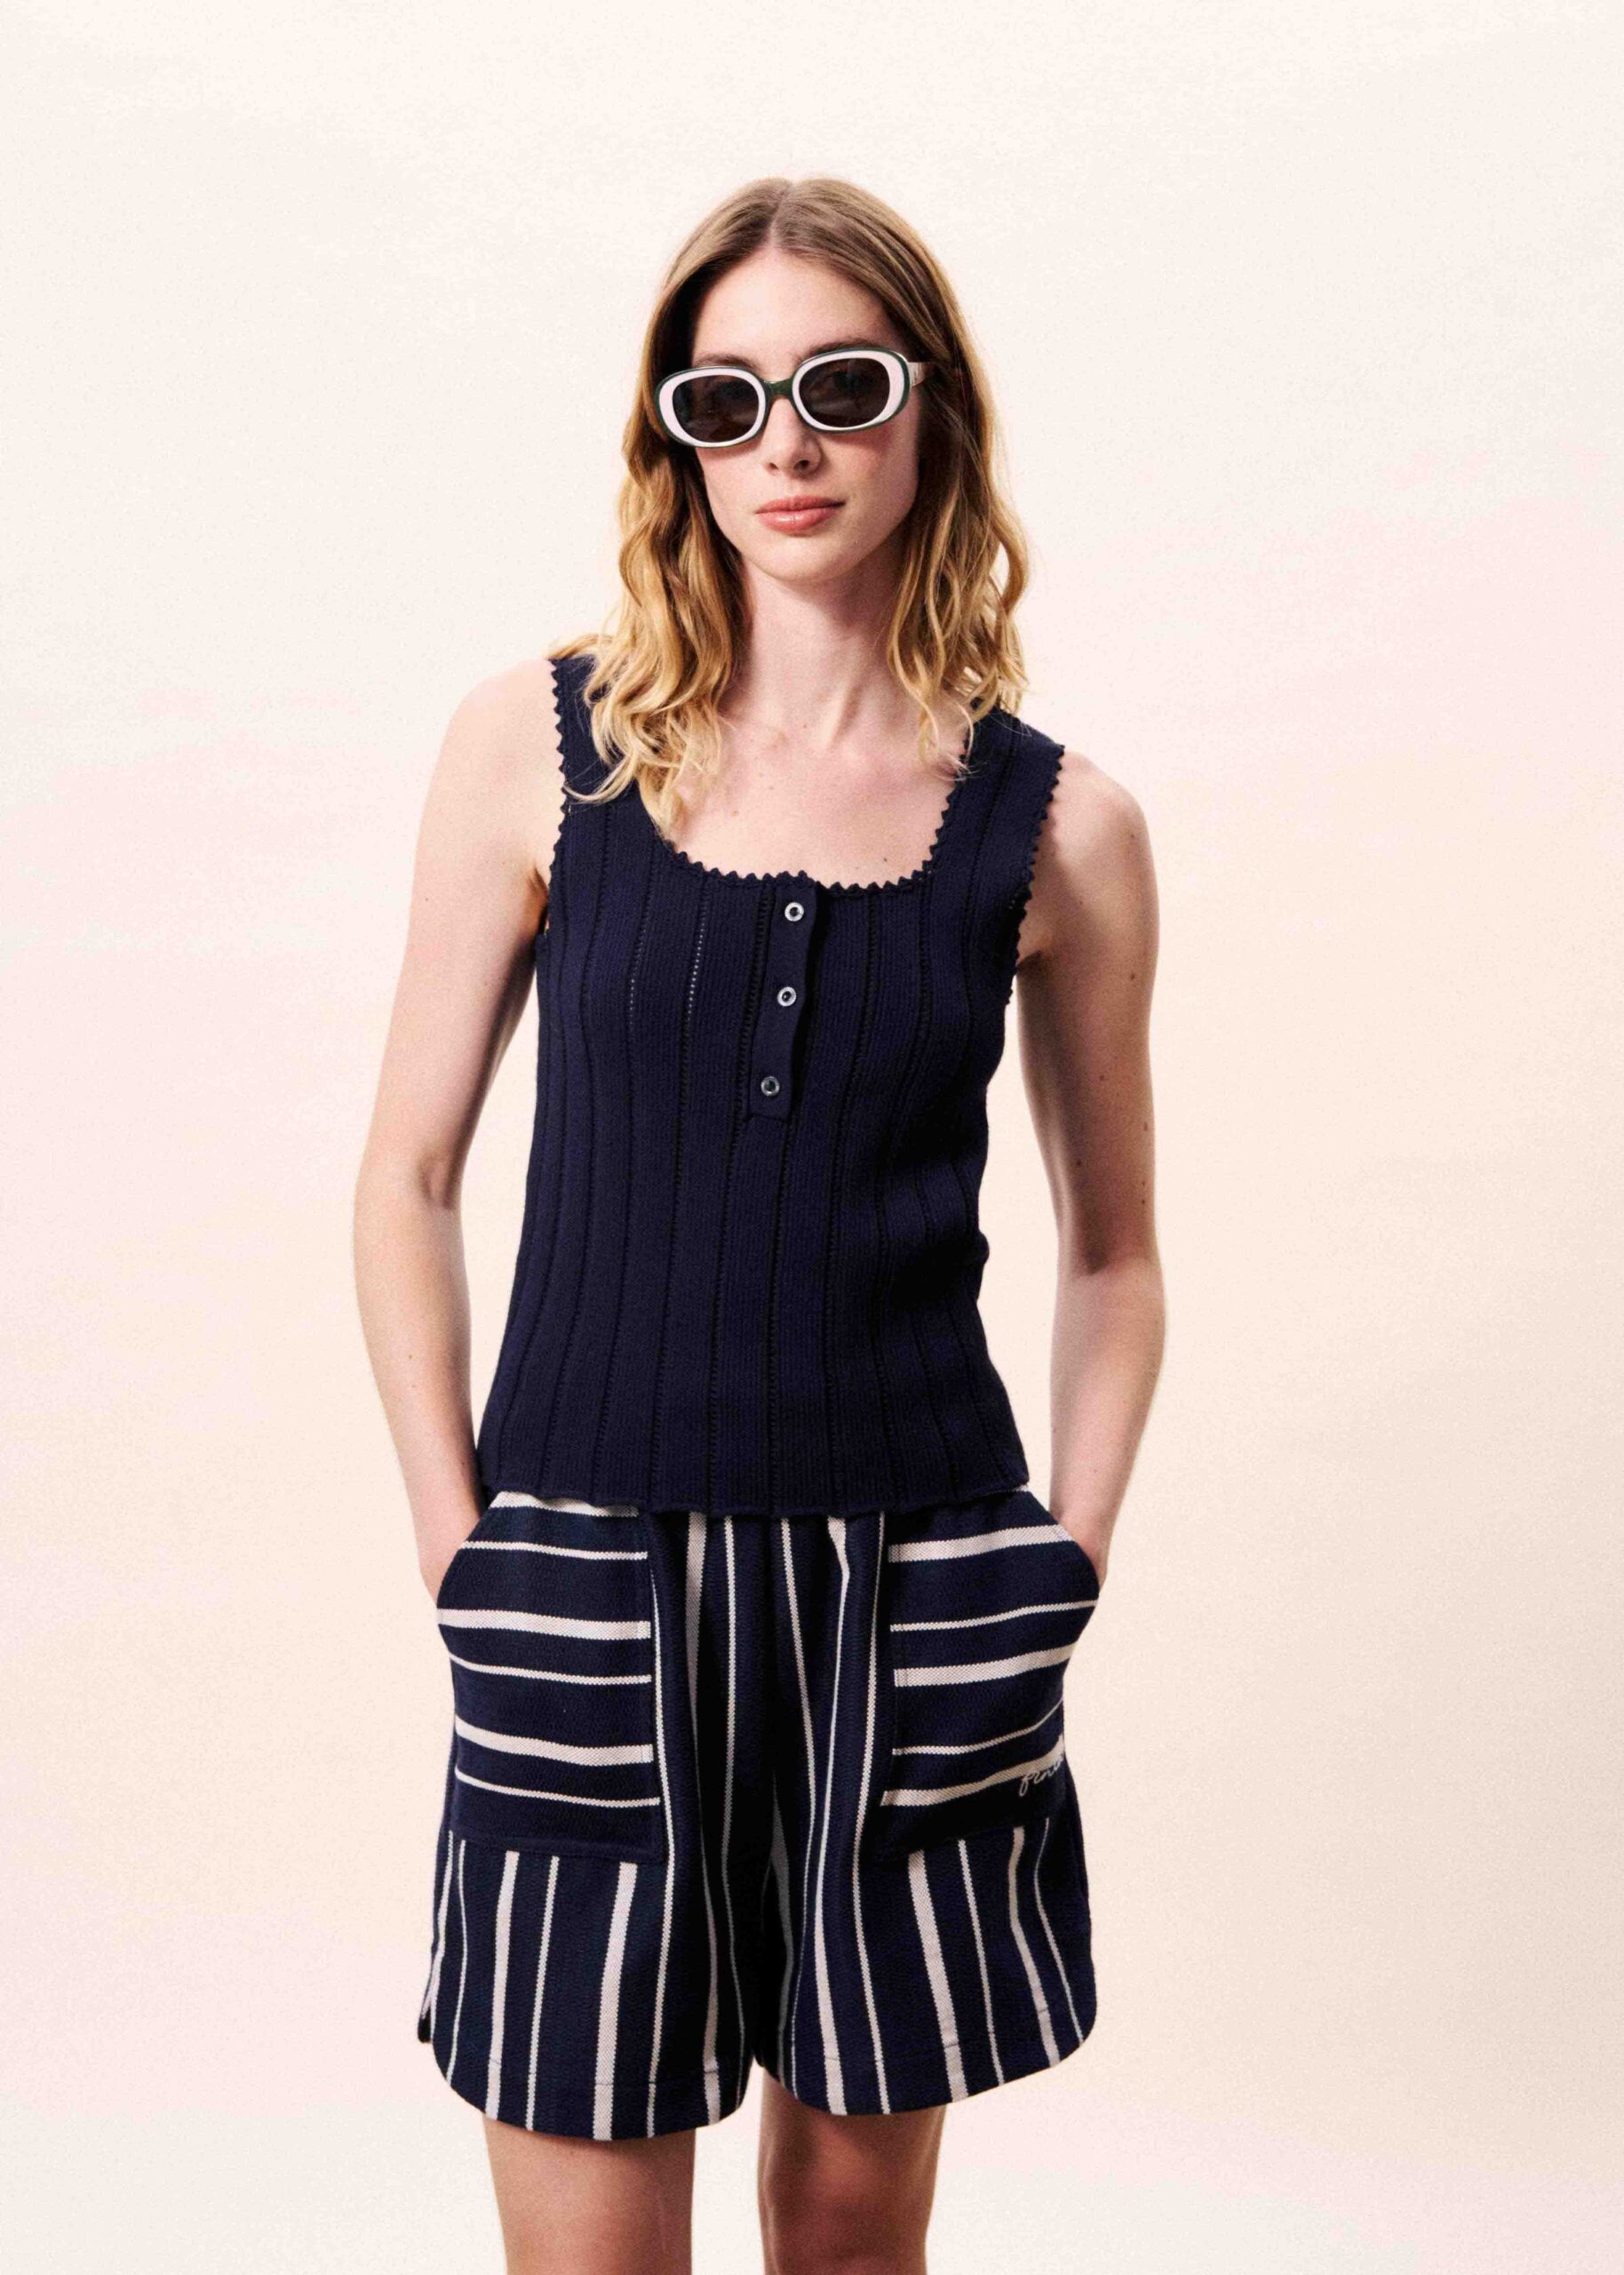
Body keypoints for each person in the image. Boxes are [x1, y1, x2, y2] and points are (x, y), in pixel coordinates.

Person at [354, 173, 1164, 2275]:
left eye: (838, 386)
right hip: (579, 1577)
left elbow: (1109, 1253)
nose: (782, 442)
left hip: (919, 1593)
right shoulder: (537, 747)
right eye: (724, 397)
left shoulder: (1058, 826)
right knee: (587, 2240)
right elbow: (406, 1173)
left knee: (848, 2233)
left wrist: (1060, 1561)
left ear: (928, 410)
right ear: (676, 436)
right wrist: (460, 1542)